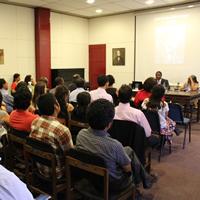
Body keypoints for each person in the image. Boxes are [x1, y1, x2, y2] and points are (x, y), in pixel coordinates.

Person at [76, 99, 155, 192]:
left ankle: (146, 178)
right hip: (111, 185)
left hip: (88, 178)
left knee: (128, 150)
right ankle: (142, 181)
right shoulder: (114, 145)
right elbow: (128, 169)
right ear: (109, 124)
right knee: (130, 161)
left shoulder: (81, 134)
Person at [30, 93, 74, 178]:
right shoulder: (62, 130)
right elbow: (70, 155)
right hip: (57, 173)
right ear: (56, 107)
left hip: (38, 166)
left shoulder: (34, 122)